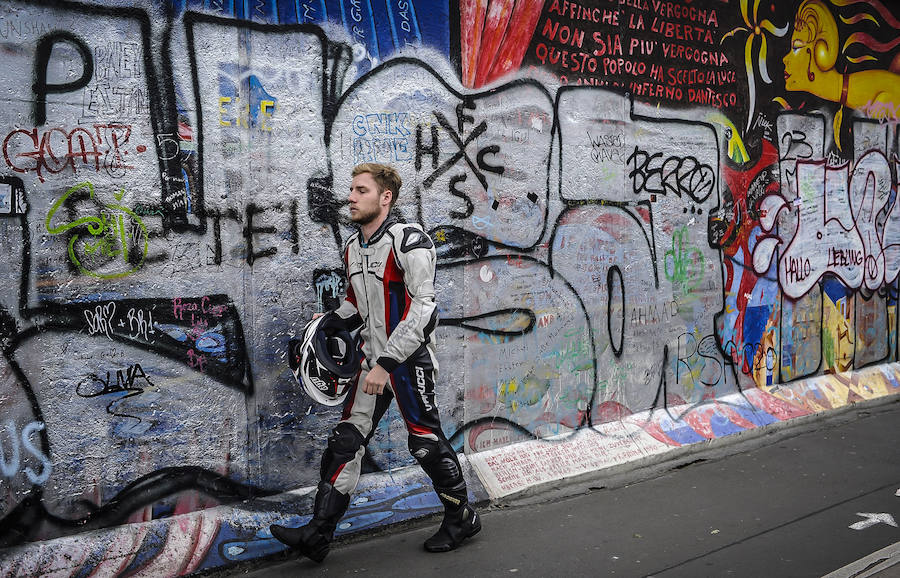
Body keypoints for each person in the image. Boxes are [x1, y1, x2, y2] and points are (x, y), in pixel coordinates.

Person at [270, 163, 480, 562]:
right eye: (350, 190)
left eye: (361, 190)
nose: (350, 197)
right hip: (372, 361)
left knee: (424, 441)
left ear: (385, 198)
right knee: (346, 440)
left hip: (407, 359)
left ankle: (461, 517)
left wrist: (385, 364)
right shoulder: (352, 247)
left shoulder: (410, 241)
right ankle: (318, 534)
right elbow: (356, 306)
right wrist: (327, 321)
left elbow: (425, 309)